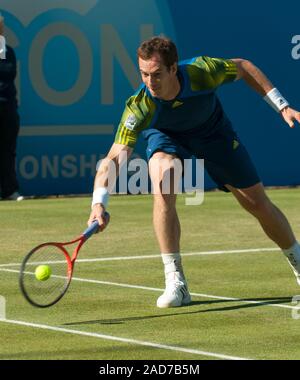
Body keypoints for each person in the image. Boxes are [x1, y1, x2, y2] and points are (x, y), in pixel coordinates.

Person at [88, 36, 300, 308]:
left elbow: (244, 67)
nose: (150, 82)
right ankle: (175, 281)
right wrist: (98, 203)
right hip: (167, 137)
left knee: (256, 203)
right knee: (163, 181)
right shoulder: (140, 105)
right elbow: (115, 158)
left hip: (213, 133)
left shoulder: (202, 72)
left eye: (156, 74)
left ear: (174, 69)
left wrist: (281, 105)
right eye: (143, 74)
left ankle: (296, 260)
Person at [0, 14, 23, 201]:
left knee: (8, 151)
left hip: (7, 109)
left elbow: (8, 73)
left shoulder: (8, 52)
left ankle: (9, 191)